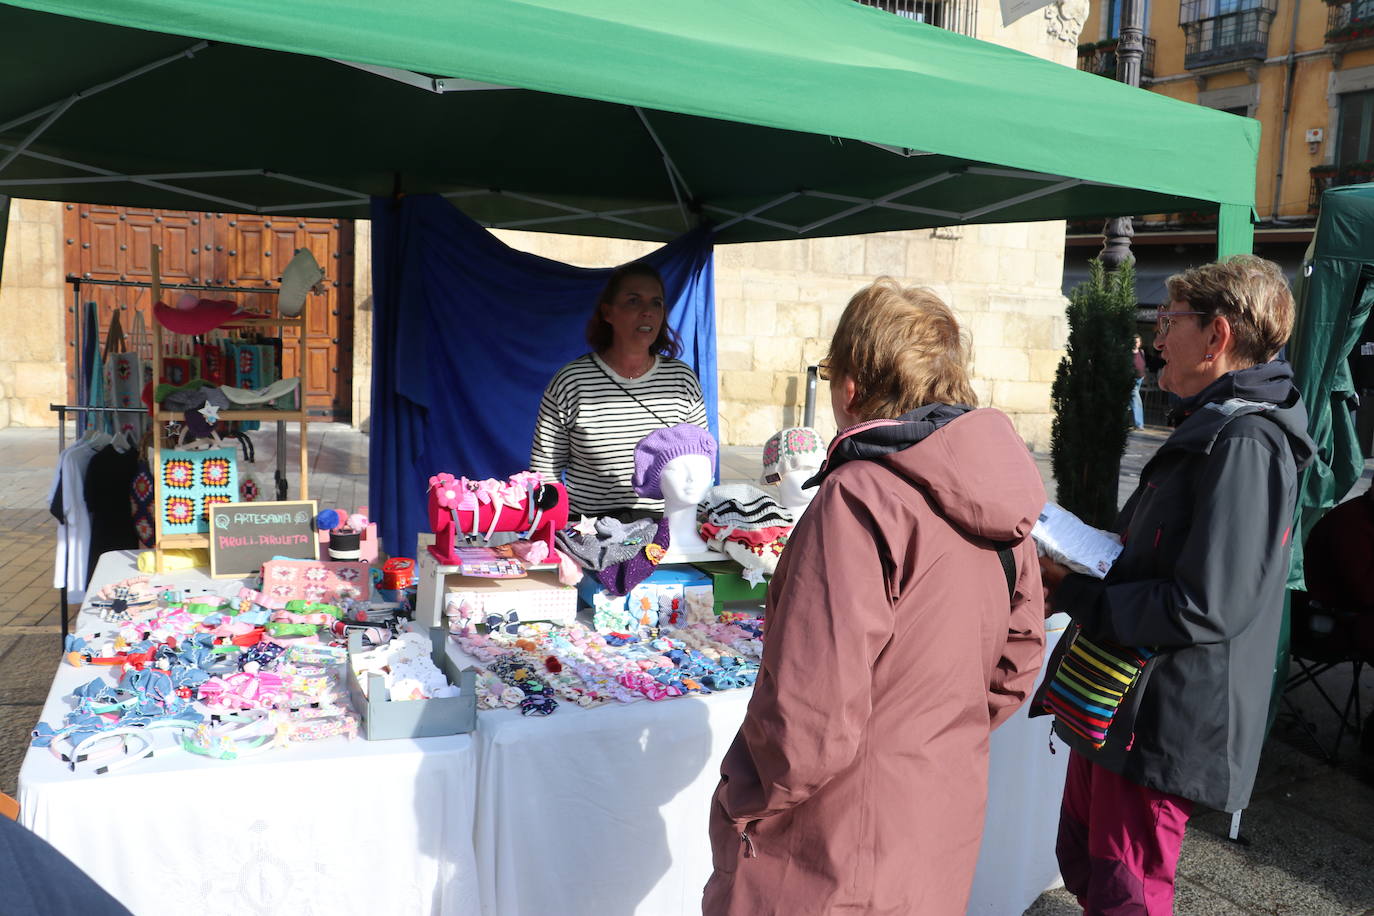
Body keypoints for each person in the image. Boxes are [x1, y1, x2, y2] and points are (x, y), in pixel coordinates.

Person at [703, 278, 1047, 915]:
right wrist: (928, 736)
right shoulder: (1000, 496)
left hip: (829, 846)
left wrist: (744, 800)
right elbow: (1017, 660)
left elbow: (809, 716)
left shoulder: (859, 497)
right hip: (935, 815)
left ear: (851, 386)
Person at [1038, 255, 1315, 915]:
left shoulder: (1246, 441)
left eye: (1170, 321)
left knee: (1124, 893)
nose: (1157, 339)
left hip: (1160, 716)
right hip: (1119, 697)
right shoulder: (1214, 423)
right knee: (1083, 862)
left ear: (1217, 336)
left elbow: (1208, 604)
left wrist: (1071, 593)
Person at [529, 261, 707, 519]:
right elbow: (544, 471)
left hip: (665, 535)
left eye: (656, 303)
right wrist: (554, 532)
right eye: (634, 301)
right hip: (590, 537)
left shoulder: (682, 380)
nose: (647, 312)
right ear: (608, 313)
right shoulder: (572, 381)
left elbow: (700, 459)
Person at [1129, 334, 1147, 430]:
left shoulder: (1141, 352)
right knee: (1136, 400)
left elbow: (1143, 364)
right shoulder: (1128, 353)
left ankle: (1124, 420)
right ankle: (1139, 424)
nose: (1136, 343)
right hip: (1132, 379)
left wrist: (1144, 375)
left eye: (1138, 341)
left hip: (1140, 379)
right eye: (1134, 341)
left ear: (1140, 343)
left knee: (1130, 400)